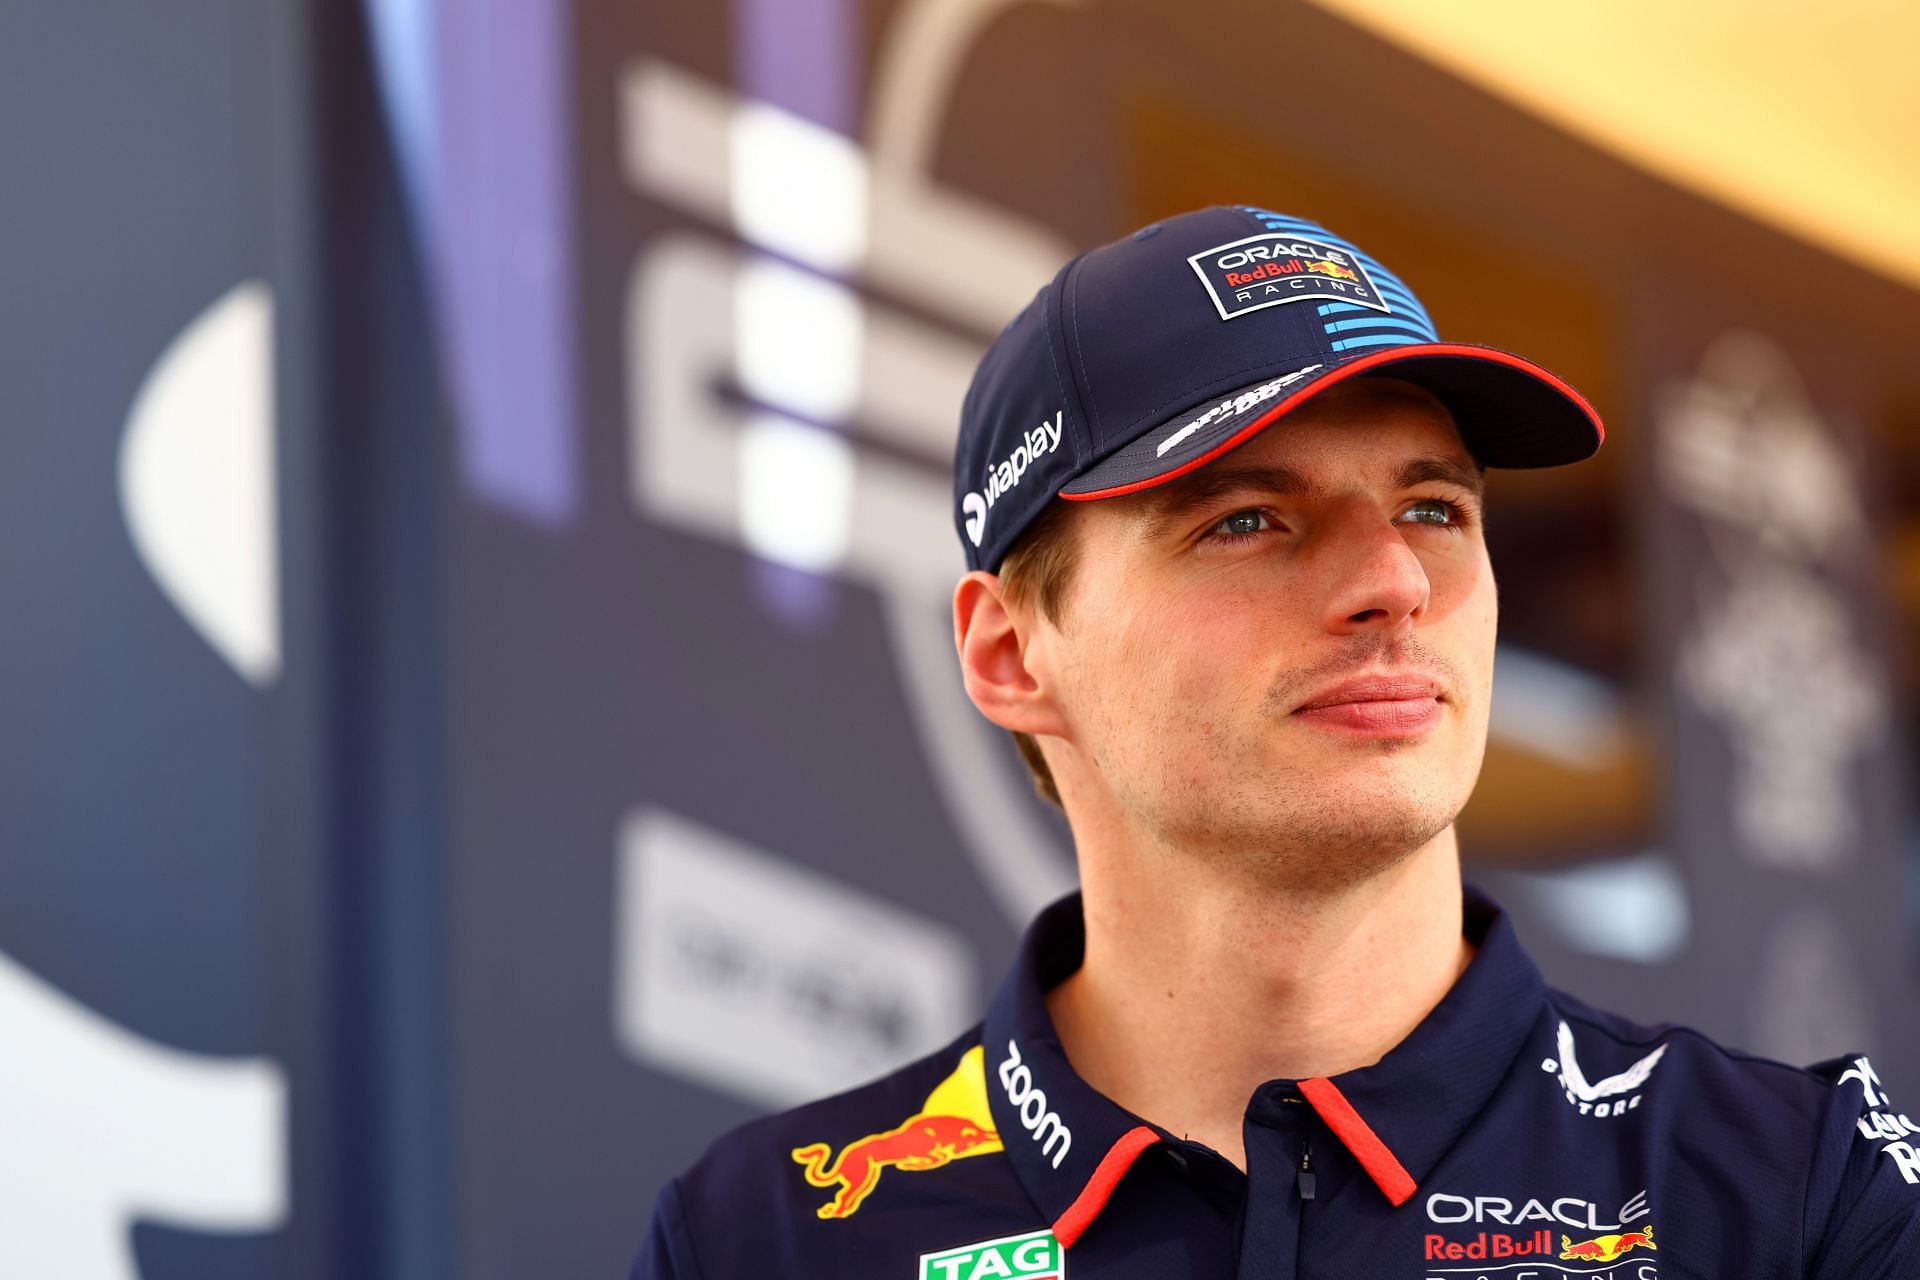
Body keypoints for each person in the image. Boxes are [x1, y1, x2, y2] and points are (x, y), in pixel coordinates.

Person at [628, 205, 1920, 1278]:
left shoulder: (1792, 1192)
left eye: (1432, 507)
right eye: (1248, 520)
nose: (1394, 583)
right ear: (1014, 654)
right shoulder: (768, 1238)